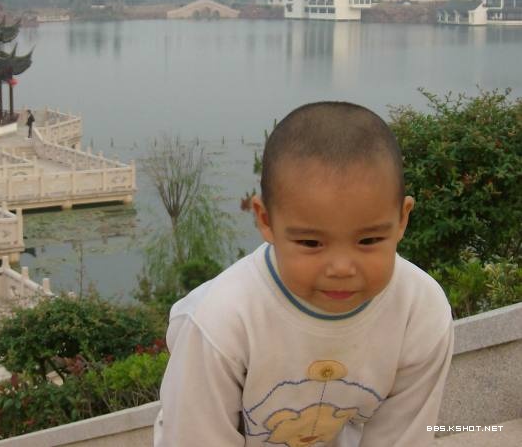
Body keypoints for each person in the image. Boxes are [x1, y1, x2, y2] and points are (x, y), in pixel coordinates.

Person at [155, 102, 454, 447]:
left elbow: (403, 437)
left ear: (402, 219)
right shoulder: (220, 322)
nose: (341, 268)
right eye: (311, 243)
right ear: (265, 220)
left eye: (368, 240)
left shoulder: (420, 311)